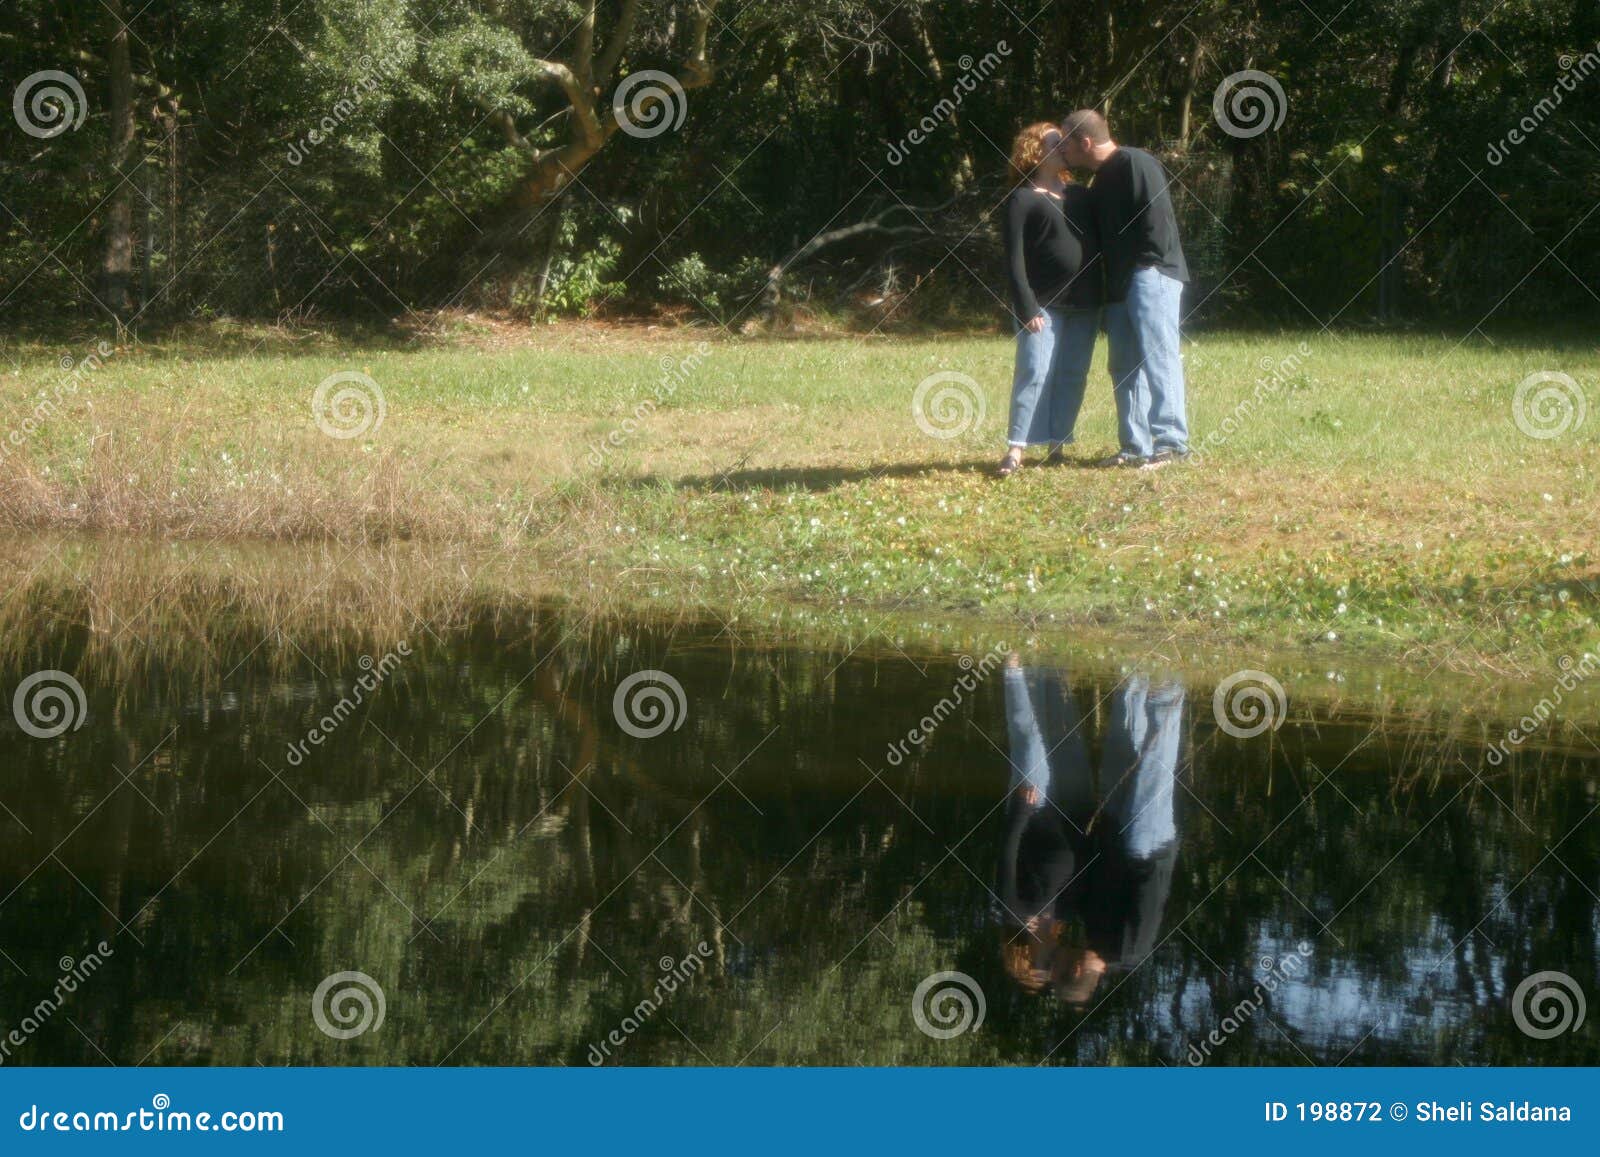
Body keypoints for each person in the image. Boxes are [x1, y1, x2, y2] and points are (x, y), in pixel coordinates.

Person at [995, 658, 1184, 1006]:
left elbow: (1015, 857)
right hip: (1142, 846)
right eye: (1056, 965)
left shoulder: (1075, 925)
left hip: (1100, 826)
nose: (1057, 956)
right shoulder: (1127, 951)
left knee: (1119, 747)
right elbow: (1151, 891)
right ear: (1077, 971)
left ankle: (1133, 669)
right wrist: (1144, 851)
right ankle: (1166, 681)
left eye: (1047, 963)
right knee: (1153, 766)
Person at [1058, 109, 1190, 470]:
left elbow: (1157, 218)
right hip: (1119, 286)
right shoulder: (1098, 181)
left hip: (1152, 276)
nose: (1062, 153)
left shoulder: (1134, 161)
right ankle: (1135, 446)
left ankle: (1172, 442)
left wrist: (1146, 267)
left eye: (1066, 144)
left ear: (1085, 142)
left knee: (1158, 357)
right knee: (1123, 366)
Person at [996, 122, 1103, 478]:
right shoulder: (1021, 198)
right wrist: (1025, 306)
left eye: (1066, 143)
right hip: (1041, 303)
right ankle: (1016, 449)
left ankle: (1058, 443)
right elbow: (1013, 260)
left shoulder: (1082, 196)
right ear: (1035, 150)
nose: (1063, 148)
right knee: (1035, 371)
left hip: (1084, 302)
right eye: (1056, 143)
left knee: (1072, 374)